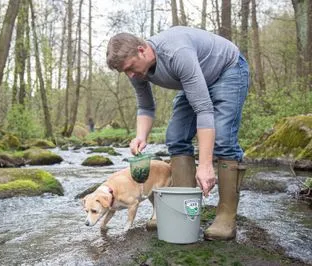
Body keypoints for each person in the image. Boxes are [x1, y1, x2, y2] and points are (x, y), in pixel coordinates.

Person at [106, 26, 249, 240]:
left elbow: (203, 109)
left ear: (142, 50)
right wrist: (141, 136)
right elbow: (145, 106)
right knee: (175, 137)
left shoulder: (176, 53)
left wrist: (206, 165)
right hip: (195, 78)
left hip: (227, 70)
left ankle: (226, 217)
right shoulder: (136, 69)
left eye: (130, 68)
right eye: (125, 71)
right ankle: (184, 209)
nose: (130, 75)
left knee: (224, 141)